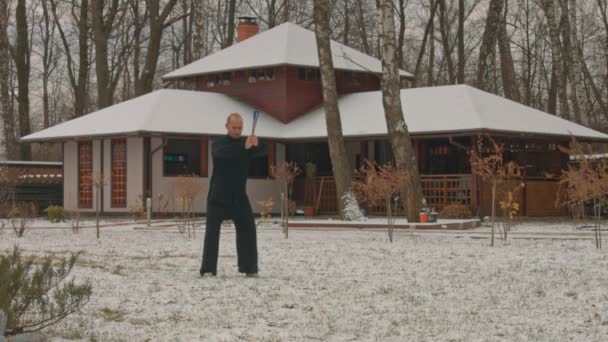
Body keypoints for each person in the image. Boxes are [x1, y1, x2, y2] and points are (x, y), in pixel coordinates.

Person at [200, 112, 267, 278]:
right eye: (234, 127)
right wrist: (245, 146)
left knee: (248, 230)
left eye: (240, 128)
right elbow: (223, 155)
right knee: (211, 235)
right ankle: (208, 269)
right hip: (218, 197)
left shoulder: (247, 145)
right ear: (227, 126)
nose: (237, 131)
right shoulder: (218, 145)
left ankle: (250, 268)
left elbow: (262, 151)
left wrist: (257, 144)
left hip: (239, 197)